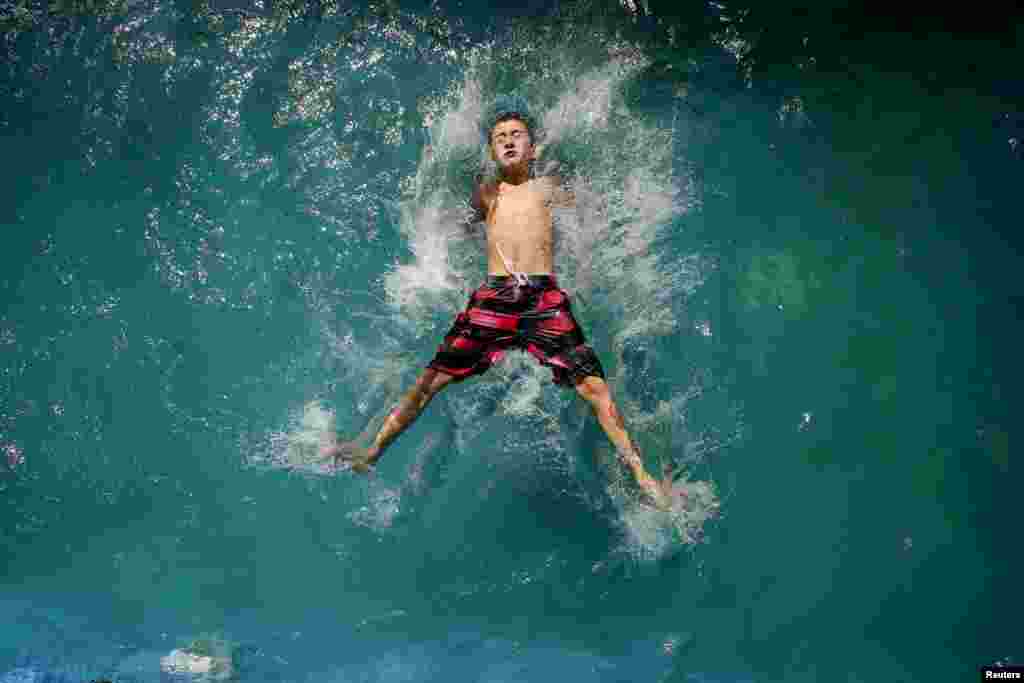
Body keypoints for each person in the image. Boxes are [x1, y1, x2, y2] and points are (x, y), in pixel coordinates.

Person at [322, 102, 675, 509]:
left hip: (544, 297)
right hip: (496, 295)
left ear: (534, 148)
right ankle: (371, 454)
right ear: (492, 152)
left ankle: (642, 476)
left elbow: (586, 217)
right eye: (499, 138)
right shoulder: (487, 192)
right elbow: (460, 228)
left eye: (516, 135)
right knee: (429, 383)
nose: (508, 141)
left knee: (596, 389)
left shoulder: (548, 187)